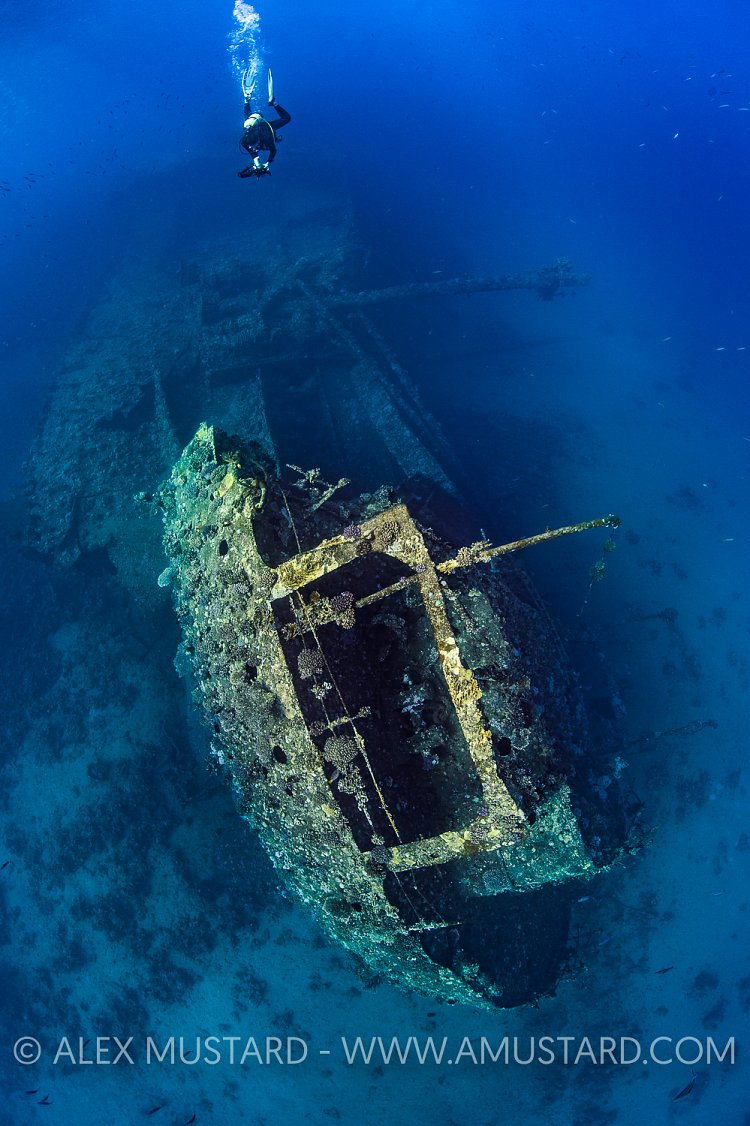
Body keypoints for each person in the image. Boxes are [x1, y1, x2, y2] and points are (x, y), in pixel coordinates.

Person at [238, 69, 291, 179]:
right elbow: (254, 154)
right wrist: (259, 164)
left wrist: (267, 163)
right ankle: (248, 100)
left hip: (264, 126)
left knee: (287, 118)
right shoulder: (245, 142)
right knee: (247, 119)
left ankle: (271, 102)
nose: (253, 148)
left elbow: (273, 150)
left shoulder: (266, 137)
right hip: (251, 122)